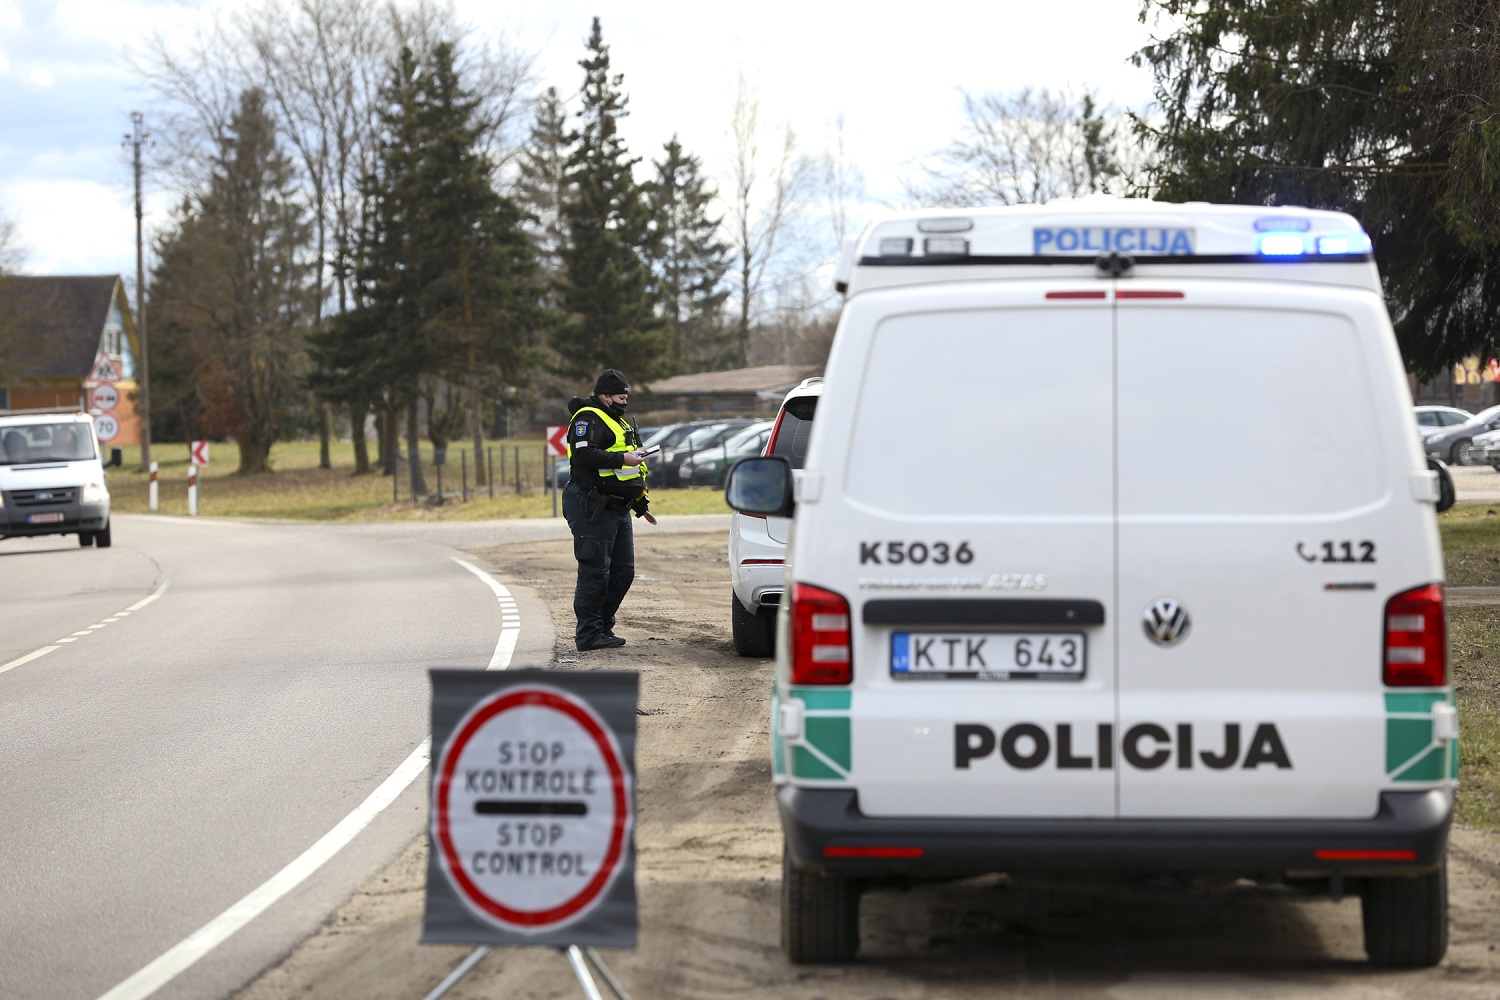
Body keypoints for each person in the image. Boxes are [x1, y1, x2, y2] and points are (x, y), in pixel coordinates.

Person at [563, 369, 655, 651]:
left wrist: (640, 501)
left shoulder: (618, 422)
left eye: (626, 397)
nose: (624, 402)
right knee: (595, 571)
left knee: (623, 572)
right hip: (593, 505)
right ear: (604, 396)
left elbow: (628, 471)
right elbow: (582, 454)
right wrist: (621, 459)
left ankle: (602, 627)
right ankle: (588, 634)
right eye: (619, 397)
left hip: (619, 506)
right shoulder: (588, 418)